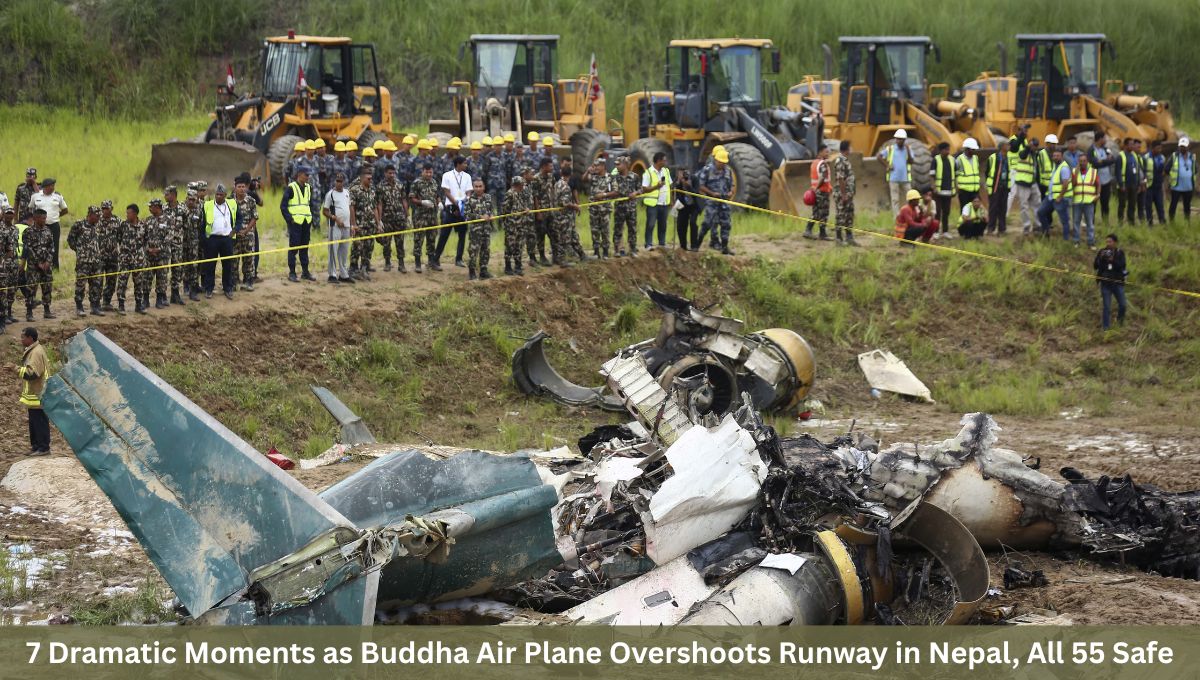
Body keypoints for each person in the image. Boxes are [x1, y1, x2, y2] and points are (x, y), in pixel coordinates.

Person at [14, 327, 50, 456]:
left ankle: (43, 448)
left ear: (30, 338)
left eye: (23, 337)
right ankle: (36, 446)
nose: (21, 339)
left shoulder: (36, 352)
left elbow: (33, 373)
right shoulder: (32, 350)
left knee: (39, 421)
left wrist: (16, 369)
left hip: (39, 393)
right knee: (34, 421)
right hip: (35, 394)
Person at [696, 146, 735, 254]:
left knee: (726, 223)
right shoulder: (707, 170)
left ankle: (724, 247)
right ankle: (697, 244)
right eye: (720, 162)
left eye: (724, 162)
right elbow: (701, 186)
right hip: (712, 202)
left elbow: (732, 184)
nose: (722, 164)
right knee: (707, 223)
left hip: (723, 202)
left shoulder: (728, 170)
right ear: (716, 160)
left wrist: (731, 192)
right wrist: (712, 194)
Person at [202, 185, 238, 300]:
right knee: (210, 265)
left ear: (225, 196)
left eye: (220, 195)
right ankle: (209, 289)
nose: (218, 196)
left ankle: (227, 288)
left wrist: (235, 230)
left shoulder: (232, 204)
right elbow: (202, 224)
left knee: (227, 265)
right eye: (216, 194)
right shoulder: (207, 205)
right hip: (212, 239)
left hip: (227, 239)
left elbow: (240, 218)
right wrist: (205, 239)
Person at [67, 206, 103, 317]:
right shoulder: (79, 224)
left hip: (96, 261)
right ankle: (79, 307)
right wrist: (79, 251)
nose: (98, 218)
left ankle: (95, 306)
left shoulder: (98, 225)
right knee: (81, 284)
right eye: (97, 216)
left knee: (96, 284)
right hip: (83, 261)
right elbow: (70, 239)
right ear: (90, 214)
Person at [436, 155, 472, 269]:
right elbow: (446, 192)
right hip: (450, 207)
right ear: (458, 164)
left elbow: (469, 191)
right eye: (464, 163)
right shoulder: (447, 175)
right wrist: (456, 203)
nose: (466, 165)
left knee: (462, 234)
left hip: (463, 208)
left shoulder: (467, 176)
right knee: (444, 234)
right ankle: (435, 259)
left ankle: (459, 259)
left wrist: (465, 201)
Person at [21, 209, 54, 320]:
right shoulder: (28, 232)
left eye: (45, 218)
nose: (44, 220)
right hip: (33, 267)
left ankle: (47, 310)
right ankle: (29, 312)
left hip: (46, 266)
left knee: (47, 287)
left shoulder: (48, 231)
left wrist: (48, 262)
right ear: (35, 218)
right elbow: (28, 249)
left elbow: (52, 248)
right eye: (42, 218)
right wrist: (38, 263)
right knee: (31, 289)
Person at [408, 163, 441, 273]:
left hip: (432, 216)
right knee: (418, 240)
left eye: (430, 172)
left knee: (431, 239)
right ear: (422, 172)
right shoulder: (417, 183)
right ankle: (418, 263)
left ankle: (431, 262)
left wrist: (439, 202)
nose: (429, 174)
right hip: (420, 216)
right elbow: (411, 198)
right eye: (426, 172)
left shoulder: (434, 182)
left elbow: (437, 195)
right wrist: (422, 202)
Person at [27, 178, 67, 269]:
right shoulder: (35, 196)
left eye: (53, 185)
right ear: (45, 187)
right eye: (51, 186)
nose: (53, 187)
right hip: (39, 226)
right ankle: (39, 266)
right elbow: (30, 208)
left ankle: (55, 267)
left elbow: (65, 210)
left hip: (53, 225)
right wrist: (33, 219)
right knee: (38, 246)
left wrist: (56, 215)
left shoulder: (58, 196)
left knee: (54, 246)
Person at [349, 166, 380, 280]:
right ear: (362, 178)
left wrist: (378, 223)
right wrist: (353, 224)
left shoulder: (372, 190)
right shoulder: (355, 190)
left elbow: (375, 207)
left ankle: (364, 268)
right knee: (357, 247)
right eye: (368, 178)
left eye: (371, 178)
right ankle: (353, 269)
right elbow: (352, 207)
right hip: (359, 223)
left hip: (370, 224)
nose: (370, 181)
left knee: (368, 247)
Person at [583, 157, 618, 259]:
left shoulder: (610, 177)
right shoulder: (593, 176)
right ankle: (596, 252)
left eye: (597, 166)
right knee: (595, 230)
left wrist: (603, 194)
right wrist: (587, 171)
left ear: (603, 166)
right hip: (593, 209)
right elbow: (583, 179)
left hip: (605, 209)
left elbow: (616, 192)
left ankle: (606, 252)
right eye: (594, 166)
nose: (595, 168)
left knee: (605, 231)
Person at [322, 172, 353, 283]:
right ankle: (332, 275)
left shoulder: (347, 193)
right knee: (333, 250)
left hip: (346, 226)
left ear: (344, 182)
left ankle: (344, 274)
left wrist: (352, 225)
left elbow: (350, 208)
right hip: (335, 226)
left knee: (344, 251)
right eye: (337, 181)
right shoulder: (330, 194)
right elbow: (325, 211)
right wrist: (335, 218)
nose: (339, 183)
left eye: (341, 181)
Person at [376, 165, 408, 273]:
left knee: (400, 242)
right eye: (390, 173)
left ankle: (401, 264)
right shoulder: (380, 186)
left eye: (393, 173)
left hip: (399, 218)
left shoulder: (399, 184)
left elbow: (404, 200)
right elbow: (379, 204)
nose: (392, 175)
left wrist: (407, 215)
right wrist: (379, 220)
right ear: (385, 173)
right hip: (387, 218)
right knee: (386, 242)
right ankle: (387, 263)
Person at [552, 159, 585, 266]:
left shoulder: (557, 184)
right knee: (563, 238)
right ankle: (562, 260)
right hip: (564, 217)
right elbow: (564, 202)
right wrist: (575, 206)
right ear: (570, 175)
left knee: (574, 236)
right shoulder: (566, 187)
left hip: (561, 216)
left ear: (561, 173)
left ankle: (582, 255)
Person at [463, 178, 496, 280]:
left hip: (486, 229)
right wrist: (480, 217)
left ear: (484, 187)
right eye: (476, 187)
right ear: (473, 188)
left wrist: (491, 215)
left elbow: (491, 211)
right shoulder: (469, 200)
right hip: (475, 231)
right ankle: (472, 272)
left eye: (480, 186)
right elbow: (467, 215)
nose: (478, 189)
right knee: (473, 251)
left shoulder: (488, 197)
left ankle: (483, 270)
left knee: (485, 250)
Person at [1093, 234, 1127, 331]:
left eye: (1110, 242)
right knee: (1107, 307)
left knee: (1123, 305)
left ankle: (1120, 322)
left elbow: (1122, 265)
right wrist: (1100, 258)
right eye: (1107, 242)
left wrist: (1113, 260)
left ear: (1115, 242)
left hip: (1117, 282)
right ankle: (1106, 328)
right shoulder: (1102, 252)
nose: (1108, 244)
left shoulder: (1120, 253)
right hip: (1105, 283)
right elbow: (1095, 266)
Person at [114, 204, 144, 313]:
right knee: (122, 282)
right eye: (126, 213)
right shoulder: (123, 225)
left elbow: (145, 241)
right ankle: (121, 305)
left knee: (139, 282)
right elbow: (118, 238)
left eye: (129, 213)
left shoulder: (142, 225)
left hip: (138, 260)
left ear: (135, 214)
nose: (127, 215)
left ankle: (139, 305)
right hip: (125, 259)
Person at [1037, 148, 1073, 240]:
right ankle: (1046, 233)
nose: (1055, 157)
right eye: (1054, 156)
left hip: (1059, 199)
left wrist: (1060, 197)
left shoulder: (1064, 168)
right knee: (1040, 212)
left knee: (1064, 220)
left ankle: (1066, 239)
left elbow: (1065, 184)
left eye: (1057, 156)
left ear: (1061, 156)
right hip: (1051, 197)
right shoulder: (1056, 166)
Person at [1010, 130, 1041, 234]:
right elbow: (1022, 155)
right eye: (1033, 145)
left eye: (1036, 145)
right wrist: (1028, 147)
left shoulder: (1034, 154)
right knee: (1024, 206)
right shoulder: (1024, 151)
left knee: (1037, 204)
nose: (1034, 147)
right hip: (1023, 182)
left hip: (1033, 183)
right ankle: (1027, 226)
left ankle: (1037, 225)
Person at [502, 174, 533, 276]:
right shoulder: (510, 194)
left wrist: (525, 210)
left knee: (519, 245)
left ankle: (518, 265)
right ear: (517, 184)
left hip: (521, 223)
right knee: (510, 246)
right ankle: (508, 266)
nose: (523, 186)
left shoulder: (520, 193)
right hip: (511, 225)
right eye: (521, 185)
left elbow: (522, 205)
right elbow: (505, 210)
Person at [233, 176, 259, 289]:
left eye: (243, 187)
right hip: (234, 235)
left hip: (248, 235)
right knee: (233, 259)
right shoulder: (230, 201)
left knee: (248, 259)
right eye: (239, 187)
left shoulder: (251, 201)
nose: (242, 189)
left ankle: (248, 281)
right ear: (235, 188)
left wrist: (246, 230)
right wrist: (235, 231)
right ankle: (233, 281)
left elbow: (255, 217)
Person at [144, 199, 171, 310]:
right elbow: (143, 237)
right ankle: (145, 300)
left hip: (162, 255)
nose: (149, 209)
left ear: (157, 207)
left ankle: (159, 300)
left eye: (151, 206)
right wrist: (148, 249)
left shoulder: (168, 220)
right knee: (147, 278)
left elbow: (170, 236)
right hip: (149, 256)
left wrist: (159, 249)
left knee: (162, 278)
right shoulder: (147, 220)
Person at [530, 157, 558, 265]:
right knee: (540, 234)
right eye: (550, 166)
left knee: (554, 233)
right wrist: (538, 212)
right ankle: (542, 257)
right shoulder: (536, 179)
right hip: (542, 211)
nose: (552, 167)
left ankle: (556, 257)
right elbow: (535, 196)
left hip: (551, 210)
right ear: (544, 166)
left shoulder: (551, 177)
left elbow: (553, 190)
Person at [611, 156, 640, 257]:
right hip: (619, 208)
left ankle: (633, 249)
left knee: (632, 229)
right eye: (616, 164)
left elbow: (640, 189)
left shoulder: (635, 176)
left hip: (631, 208)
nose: (617, 166)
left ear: (625, 165)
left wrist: (635, 193)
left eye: (619, 164)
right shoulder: (615, 177)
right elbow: (614, 191)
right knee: (618, 229)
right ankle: (617, 250)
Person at [641, 152, 672, 249]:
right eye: (664, 160)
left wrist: (671, 200)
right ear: (658, 161)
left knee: (663, 225)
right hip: (653, 204)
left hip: (664, 203)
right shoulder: (648, 172)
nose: (665, 162)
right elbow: (644, 189)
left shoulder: (666, 171)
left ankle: (662, 243)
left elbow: (669, 186)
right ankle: (648, 244)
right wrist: (656, 187)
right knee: (650, 224)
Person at [163, 186, 188, 304]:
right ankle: (162, 295)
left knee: (177, 269)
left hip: (178, 244)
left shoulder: (183, 209)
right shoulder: (163, 209)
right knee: (163, 270)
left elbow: (187, 226)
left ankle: (175, 293)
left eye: (167, 194)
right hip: (165, 245)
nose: (165, 196)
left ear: (173, 195)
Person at [830, 140, 857, 245]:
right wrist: (844, 194)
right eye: (850, 147)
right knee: (841, 215)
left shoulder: (845, 160)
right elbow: (840, 178)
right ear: (847, 148)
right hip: (842, 194)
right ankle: (838, 238)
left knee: (849, 215)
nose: (852, 149)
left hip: (848, 194)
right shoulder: (840, 161)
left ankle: (849, 237)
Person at [878, 129, 912, 215]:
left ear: (904, 140)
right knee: (895, 199)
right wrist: (887, 165)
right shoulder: (890, 149)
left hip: (905, 178)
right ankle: (897, 218)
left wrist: (908, 151)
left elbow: (911, 161)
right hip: (893, 178)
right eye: (897, 139)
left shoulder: (908, 149)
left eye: (901, 139)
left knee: (910, 197)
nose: (898, 141)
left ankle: (910, 215)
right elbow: (879, 156)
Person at [804, 146, 833, 240]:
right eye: (826, 152)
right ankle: (822, 233)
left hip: (816, 191)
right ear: (820, 152)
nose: (828, 154)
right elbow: (823, 177)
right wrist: (817, 188)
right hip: (822, 192)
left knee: (816, 213)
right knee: (824, 213)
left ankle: (808, 230)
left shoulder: (814, 163)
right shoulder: (823, 164)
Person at [97, 200, 121, 310]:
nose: (105, 211)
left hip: (113, 256)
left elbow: (122, 236)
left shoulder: (118, 221)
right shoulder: (97, 220)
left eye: (107, 208)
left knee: (111, 280)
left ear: (112, 208)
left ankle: (106, 302)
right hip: (100, 256)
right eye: (103, 208)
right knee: (97, 280)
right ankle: (96, 303)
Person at [1088, 131, 1117, 224]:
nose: (1105, 140)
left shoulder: (1106, 149)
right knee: (1093, 204)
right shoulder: (1091, 150)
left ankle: (1105, 222)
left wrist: (1102, 161)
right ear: (1100, 139)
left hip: (1106, 181)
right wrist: (1105, 161)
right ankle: (1091, 223)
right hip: (1095, 182)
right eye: (1104, 138)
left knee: (1105, 204)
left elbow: (1113, 160)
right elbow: (1095, 163)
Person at [1115, 137, 1145, 225]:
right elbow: (1118, 172)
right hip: (1124, 185)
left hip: (1134, 184)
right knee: (1122, 204)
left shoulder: (1134, 155)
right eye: (1130, 144)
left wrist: (1139, 183)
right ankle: (1120, 222)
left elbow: (1137, 169)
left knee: (1132, 204)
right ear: (1125, 145)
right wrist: (1121, 184)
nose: (1132, 146)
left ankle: (1131, 222)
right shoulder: (1121, 156)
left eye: (1133, 144)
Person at [1071, 155, 1099, 249]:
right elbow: (1073, 184)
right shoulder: (1074, 171)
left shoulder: (1093, 172)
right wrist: (1077, 172)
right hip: (1077, 201)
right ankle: (1076, 241)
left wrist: (1097, 194)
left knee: (1090, 223)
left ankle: (1091, 242)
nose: (1082, 163)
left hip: (1089, 201)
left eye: (1084, 161)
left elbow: (1098, 184)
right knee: (1076, 222)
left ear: (1087, 162)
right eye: (1080, 161)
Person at [0, 206, 20, 329]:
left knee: (13, 288)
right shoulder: (0, 229)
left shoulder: (15, 229)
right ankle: (4, 315)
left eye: (11, 214)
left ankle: (10, 313)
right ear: (3, 214)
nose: (9, 216)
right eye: (7, 213)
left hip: (14, 263)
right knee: (4, 290)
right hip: (3, 264)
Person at [181, 189, 203, 301]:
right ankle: (186, 285)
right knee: (185, 265)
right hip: (183, 243)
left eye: (194, 200)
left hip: (194, 243)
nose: (191, 202)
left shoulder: (198, 211)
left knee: (194, 265)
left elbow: (200, 226)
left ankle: (193, 290)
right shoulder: (181, 211)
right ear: (186, 199)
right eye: (189, 199)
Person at [931, 142, 955, 239]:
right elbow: (932, 175)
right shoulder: (935, 160)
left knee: (946, 212)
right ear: (941, 150)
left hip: (948, 191)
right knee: (937, 212)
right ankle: (936, 232)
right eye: (946, 150)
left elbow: (955, 175)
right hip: (938, 192)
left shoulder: (952, 160)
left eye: (948, 149)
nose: (948, 151)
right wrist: (934, 187)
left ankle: (945, 231)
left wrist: (955, 188)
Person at [986, 139, 1010, 234]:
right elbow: (987, 172)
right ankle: (991, 228)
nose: (1009, 146)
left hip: (1004, 187)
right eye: (1007, 145)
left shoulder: (1008, 158)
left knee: (1003, 208)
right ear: (1002, 147)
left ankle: (1002, 229)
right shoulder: (993, 157)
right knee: (993, 208)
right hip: (994, 187)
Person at [1168, 137, 1194, 222]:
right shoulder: (1174, 156)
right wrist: (1170, 180)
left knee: (1187, 206)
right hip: (1176, 187)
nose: (1182, 148)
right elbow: (1167, 169)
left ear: (1188, 147)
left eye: (1184, 146)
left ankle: (1187, 222)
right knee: (1173, 205)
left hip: (1188, 187)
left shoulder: (1192, 157)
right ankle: (1172, 222)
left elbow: (1195, 170)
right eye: (1181, 146)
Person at [673, 169, 700, 251]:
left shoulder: (694, 179)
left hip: (694, 206)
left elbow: (696, 193)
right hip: (683, 205)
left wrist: (689, 186)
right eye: (680, 174)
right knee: (681, 225)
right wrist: (678, 183)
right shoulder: (678, 181)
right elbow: (675, 192)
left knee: (693, 223)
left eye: (684, 174)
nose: (683, 176)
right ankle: (683, 246)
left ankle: (694, 246)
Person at [1143, 140, 1166, 226]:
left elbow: (1162, 171)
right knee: (1148, 206)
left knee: (1160, 206)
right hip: (1149, 186)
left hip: (1158, 186)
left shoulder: (1162, 158)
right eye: (1157, 148)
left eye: (1160, 148)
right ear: (1152, 148)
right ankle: (1150, 223)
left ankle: (1162, 222)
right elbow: (1143, 171)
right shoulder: (1146, 157)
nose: (1159, 150)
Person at [954, 138, 981, 212]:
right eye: (973, 149)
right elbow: (955, 175)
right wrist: (956, 188)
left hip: (975, 190)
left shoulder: (976, 158)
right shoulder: (959, 159)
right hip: (964, 191)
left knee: (975, 210)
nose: (974, 151)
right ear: (967, 149)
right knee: (964, 210)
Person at [1036, 134, 1058, 202]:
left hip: (1054, 184)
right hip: (1043, 185)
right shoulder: (1041, 154)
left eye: (1055, 144)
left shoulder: (1056, 154)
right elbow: (1037, 169)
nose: (1054, 145)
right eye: (1052, 144)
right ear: (1047, 144)